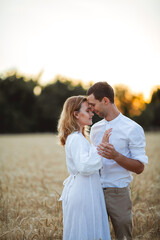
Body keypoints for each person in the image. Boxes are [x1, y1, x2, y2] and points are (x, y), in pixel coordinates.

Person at [87, 82, 148, 240]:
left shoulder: (133, 128)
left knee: (123, 237)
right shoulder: (95, 129)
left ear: (105, 101)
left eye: (93, 104)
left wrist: (116, 156)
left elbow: (140, 167)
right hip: (95, 192)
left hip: (118, 193)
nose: (91, 109)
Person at [58, 96, 111, 240]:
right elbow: (85, 166)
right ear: (76, 114)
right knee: (84, 232)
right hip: (82, 193)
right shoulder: (75, 138)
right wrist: (102, 146)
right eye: (88, 110)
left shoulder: (78, 137)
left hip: (85, 190)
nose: (92, 113)